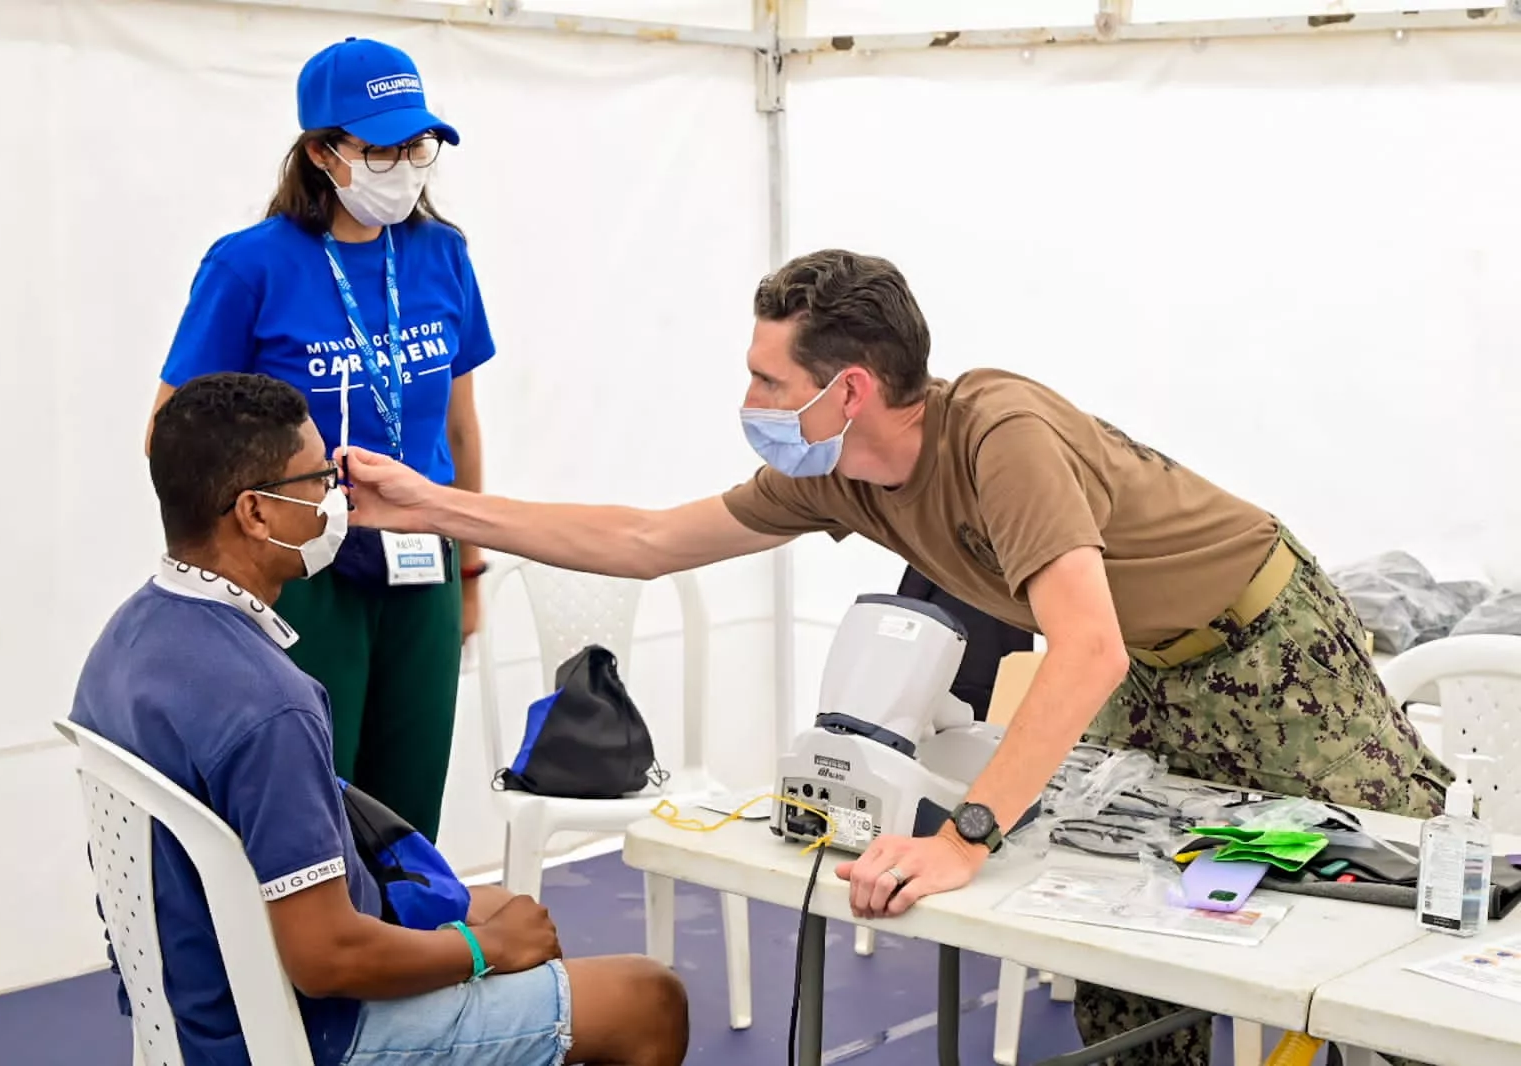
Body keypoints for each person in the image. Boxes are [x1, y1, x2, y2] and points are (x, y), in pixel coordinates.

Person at [331, 248, 1449, 1066]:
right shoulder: (832, 473)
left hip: (1266, 638)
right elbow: (644, 540)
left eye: (768, 381)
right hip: (1154, 673)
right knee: (1116, 949)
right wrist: (437, 503)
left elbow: (1085, 645)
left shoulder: (1001, 434)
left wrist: (967, 835)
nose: (750, 404)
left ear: (848, 388)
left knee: (1413, 925)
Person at [75, 372, 687, 1066]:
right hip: (297, 1032)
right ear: (254, 512)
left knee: (489, 903)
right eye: (319, 480)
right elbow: (326, 958)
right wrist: (486, 951)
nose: (337, 500)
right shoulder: (269, 703)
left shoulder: (122, 645)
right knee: (647, 997)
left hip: (189, 1009)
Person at [143, 37, 494, 842]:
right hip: (303, 567)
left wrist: (470, 569)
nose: (405, 166)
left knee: (407, 807)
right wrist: (244, 562)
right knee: (308, 802)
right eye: (380, 149)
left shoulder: (444, 256)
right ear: (322, 152)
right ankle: (309, 967)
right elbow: (171, 435)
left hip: (423, 563)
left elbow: (461, 426)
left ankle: (408, 960)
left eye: (418, 146)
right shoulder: (248, 266)